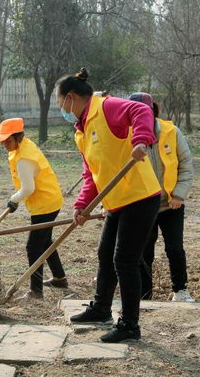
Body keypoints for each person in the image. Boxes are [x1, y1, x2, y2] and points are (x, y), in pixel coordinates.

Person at [58, 68, 162, 343]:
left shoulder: (106, 107)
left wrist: (140, 140)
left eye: (61, 105)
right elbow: (92, 174)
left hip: (140, 197)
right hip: (116, 200)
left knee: (124, 261)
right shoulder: (81, 132)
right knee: (106, 254)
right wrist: (83, 205)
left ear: (70, 98)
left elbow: (141, 111)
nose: (62, 111)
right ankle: (102, 308)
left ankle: (129, 325)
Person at [128, 93, 195, 302]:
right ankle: (144, 296)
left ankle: (180, 290)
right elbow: (113, 173)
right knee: (143, 253)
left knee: (175, 248)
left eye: (143, 113)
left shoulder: (172, 132)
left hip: (170, 206)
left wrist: (179, 195)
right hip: (142, 206)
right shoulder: (124, 136)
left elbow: (186, 166)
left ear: (152, 112)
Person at [0, 118, 67, 300]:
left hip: (45, 204)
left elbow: (28, 188)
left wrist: (14, 199)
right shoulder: (23, 147)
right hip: (48, 199)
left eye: (8, 141)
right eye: (2, 141)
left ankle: (36, 291)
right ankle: (59, 278)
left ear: (19, 137)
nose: (5, 145)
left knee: (33, 247)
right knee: (45, 241)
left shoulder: (25, 157)